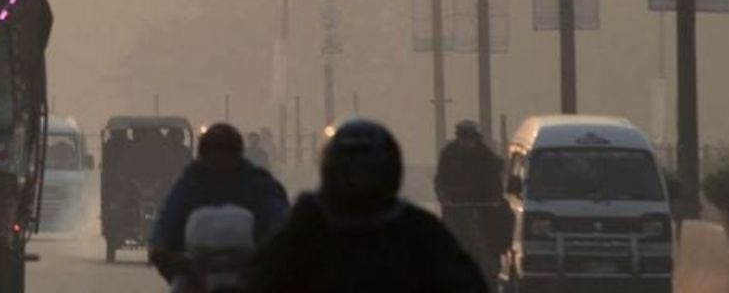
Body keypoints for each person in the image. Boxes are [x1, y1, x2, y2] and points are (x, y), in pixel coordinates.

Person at [249, 119, 489, 293]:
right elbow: (260, 278)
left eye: (369, 174)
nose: (359, 184)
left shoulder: (416, 229)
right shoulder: (307, 224)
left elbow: (464, 283)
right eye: (349, 174)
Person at [149, 123, 290, 284]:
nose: (219, 158)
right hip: (196, 274)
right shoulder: (191, 182)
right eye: (213, 152)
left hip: (250, 271)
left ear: (237, 154)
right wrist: (159, 246)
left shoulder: (256, 182)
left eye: (226, 151)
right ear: (202, 155)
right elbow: (169, 218)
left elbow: (279, 216)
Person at [435, 120, 506, 283]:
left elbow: (495, 178)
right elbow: (440, 180)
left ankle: (497, 259)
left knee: (502, 221)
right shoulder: (449, 154)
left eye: (469, 138)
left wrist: (496, 198)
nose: (466, 142)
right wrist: (444, 198)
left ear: (475, 138)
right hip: (456, 206)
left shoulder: (485, 154)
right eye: (462, 137)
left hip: (484, 205)